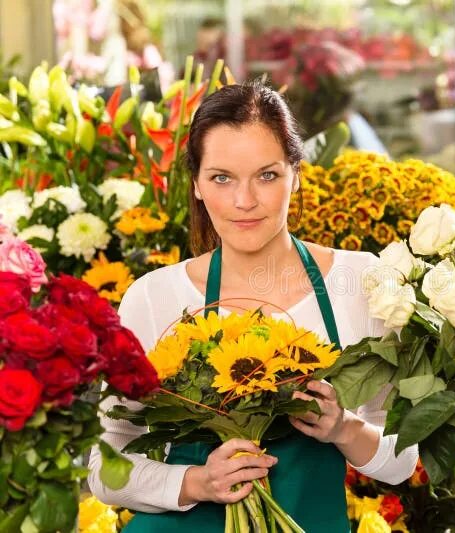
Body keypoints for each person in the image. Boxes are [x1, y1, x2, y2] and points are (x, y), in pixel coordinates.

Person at [87, 81, 417, 532]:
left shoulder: (359, 282)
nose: (245, 201)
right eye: (222, 178)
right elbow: (106, 466)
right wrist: (197, 482)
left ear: (296, 173)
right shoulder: (155, 296)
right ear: (198, 186)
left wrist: (344, 429)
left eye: (267, 175)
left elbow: (402, 459)